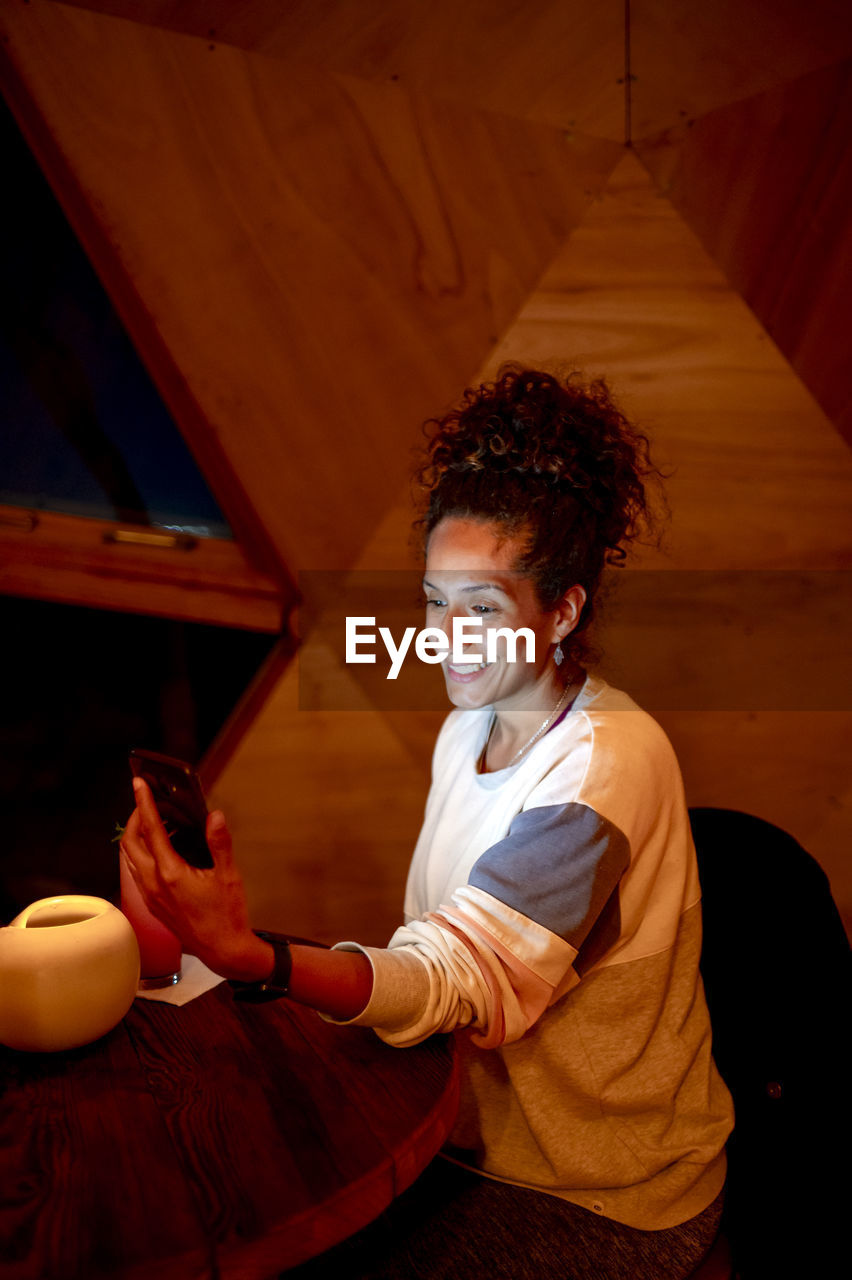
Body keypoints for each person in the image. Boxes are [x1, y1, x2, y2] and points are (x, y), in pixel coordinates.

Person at [122, 365, 734, 1279]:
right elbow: (441, 949)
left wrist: (257, 959)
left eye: (482, 610)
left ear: (563, 610)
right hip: (461, 1132)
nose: (448, 637)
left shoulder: (609, 763)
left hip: (601, 1190)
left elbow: (457, 980)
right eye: (437, 603)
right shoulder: (466, 730)